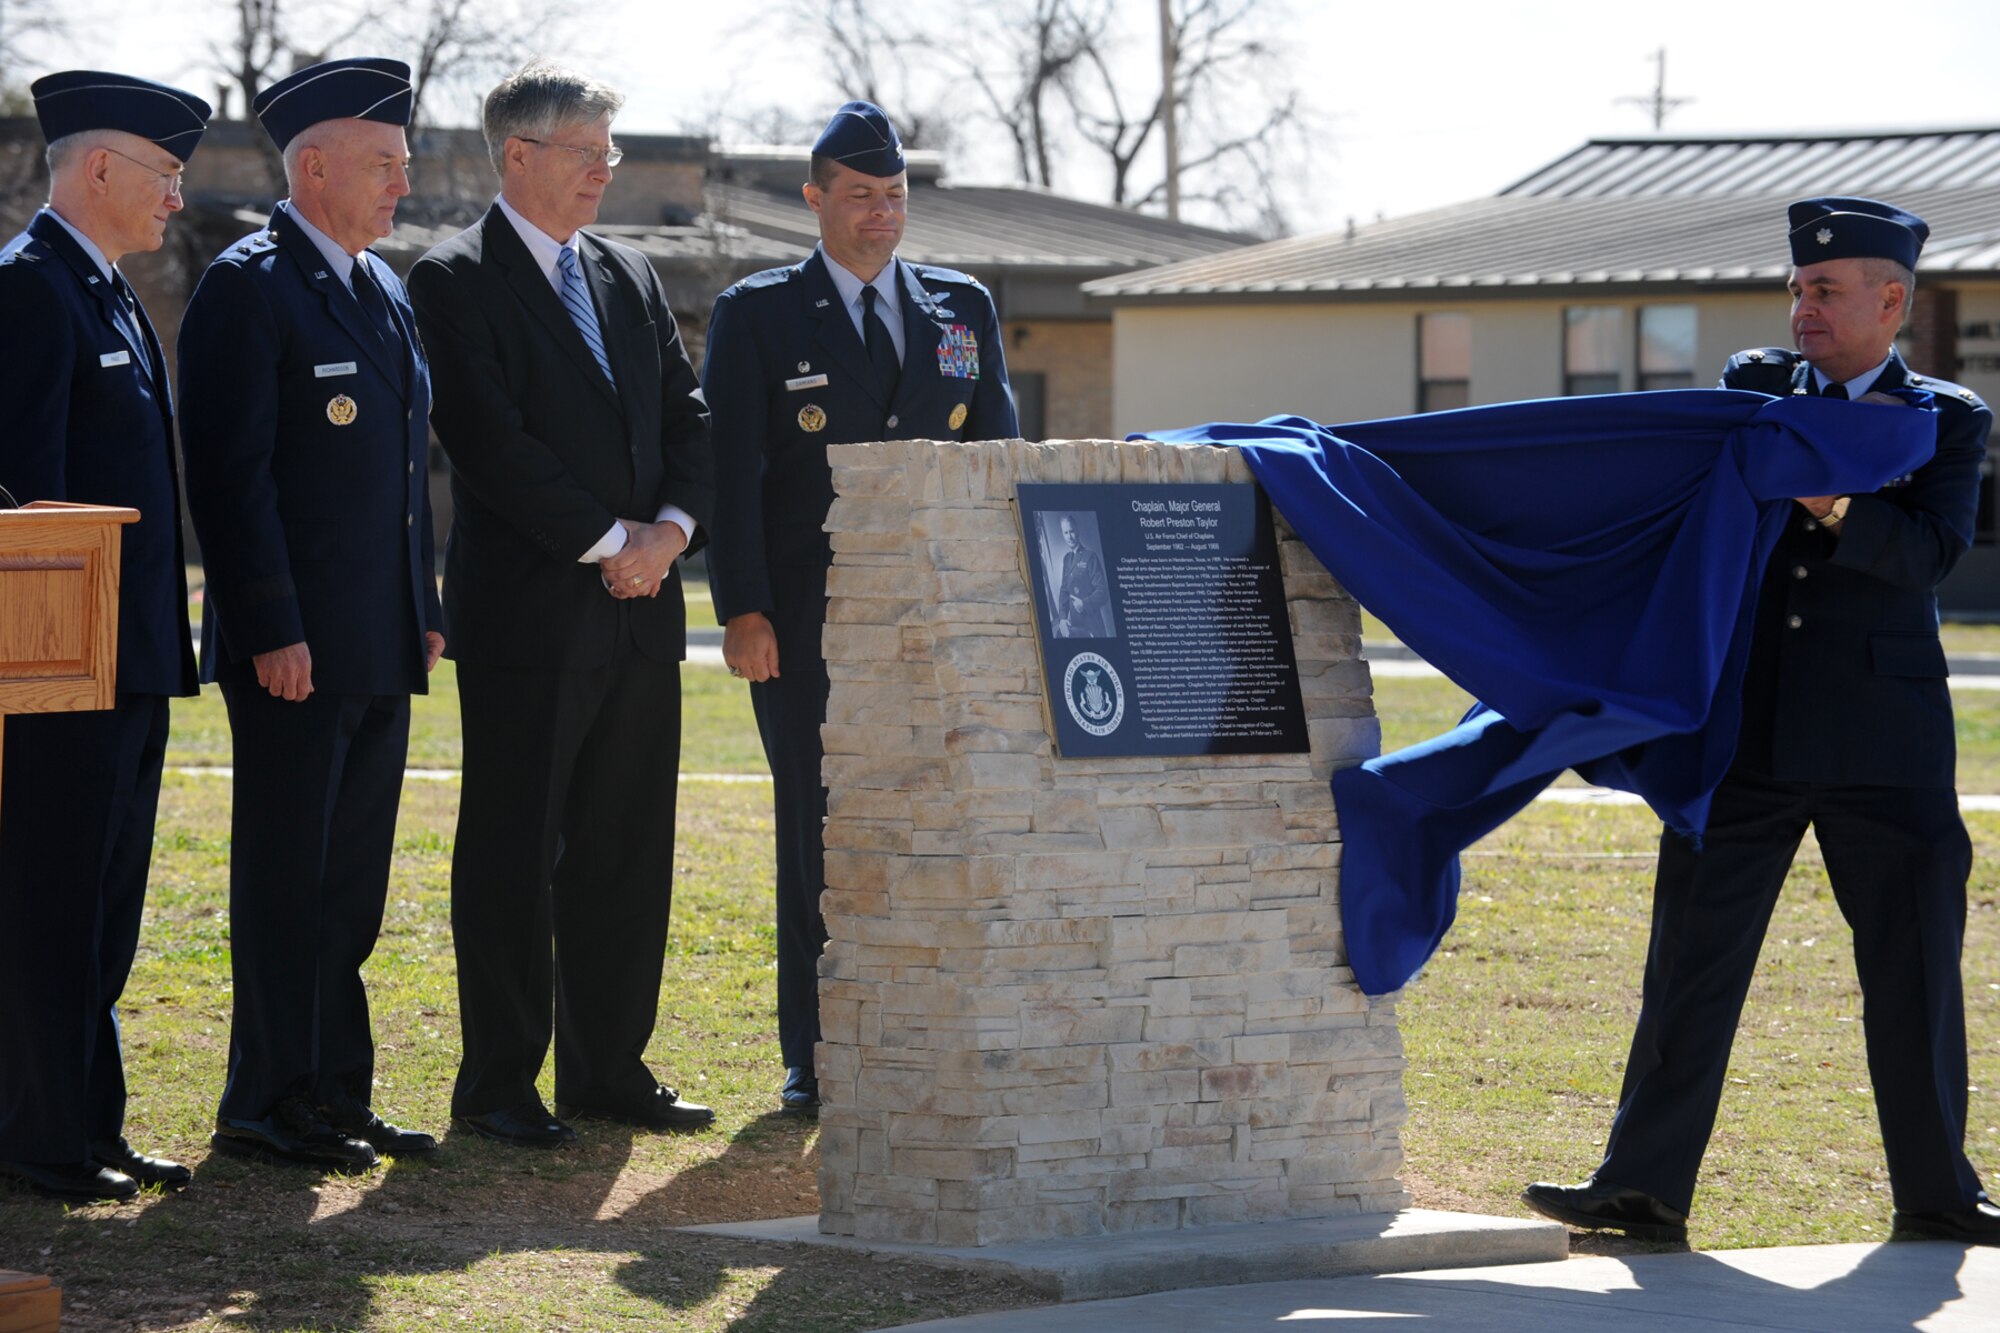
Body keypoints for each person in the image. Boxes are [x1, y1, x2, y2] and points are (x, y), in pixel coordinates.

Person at [1523, 196, 2000, 1246]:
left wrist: (1820, 495)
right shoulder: (1751, 389)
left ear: (1890, 300)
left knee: (1911, 970)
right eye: (1794, 288)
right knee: (1689, 962)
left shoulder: (1948, 418)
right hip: (1741, 734)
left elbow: (1921, 555)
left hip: (1885, 744)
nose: (1802, 309)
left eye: (1825, 291)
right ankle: (1639, 1187)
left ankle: (1936, 1193)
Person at [408, 60, 715, 1148]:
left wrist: (669, 536)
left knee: (626, 851)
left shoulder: (627, 274)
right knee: (512, 852)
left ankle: (607, 1069)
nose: (606, 172)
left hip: (640, 615)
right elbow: (490, 445)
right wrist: (609, 543)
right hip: (531, 619)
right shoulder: (448, 281)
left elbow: (690, 418)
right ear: (519, 157)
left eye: (611, 153)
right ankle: (498, 1082)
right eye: (588, 153)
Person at [703, 100, 1019, 1115]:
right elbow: (731, 474)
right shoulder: (756, 314)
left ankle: (915, 1032)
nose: (879, 217)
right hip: (805, 624)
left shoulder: (959, 309)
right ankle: (817, 1045)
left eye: (893, 197)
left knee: (934, 823)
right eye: (857, 197)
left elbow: (996, 463)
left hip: (936, 624)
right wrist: (742, 610)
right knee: (820, 831)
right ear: (814, 200)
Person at [178, 57, 443, 1172]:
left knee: (351, 881)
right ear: (316, 164)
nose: (400, 186)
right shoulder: (250, 284)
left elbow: (402, 475)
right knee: (287, 876)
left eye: (404, 166)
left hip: (379, 637)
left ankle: (336, 1089)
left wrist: (422, 607)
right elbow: (230, 483)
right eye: (382, 165)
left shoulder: (382, 284)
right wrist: (269, 627)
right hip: (293, 646)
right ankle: (265, 1100)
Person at [0, 70, 210, 1204]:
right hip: (53, 664)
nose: (175, 198)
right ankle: (39, 1136)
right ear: (96, 170)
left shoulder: (113, 292)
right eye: (164, 175)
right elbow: (26, 499)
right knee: (48, 901)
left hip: (122, 656)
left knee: (106, 904)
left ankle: (91, 1122)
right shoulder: (31, 293)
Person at [1054, 515, 1112, 638]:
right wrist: (1063, 618)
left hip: (1092, 625)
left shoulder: (1090, 556)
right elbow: (1064, 591)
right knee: (1060, 634)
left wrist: (1084, 604)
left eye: (1072, 531)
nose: (1069, 537)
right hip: (1075, 624)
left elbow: (1103, 592)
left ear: (1077, 531)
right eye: (1065, 533)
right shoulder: (1066, 559)